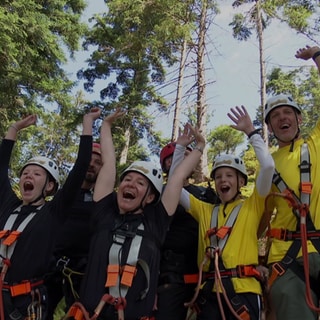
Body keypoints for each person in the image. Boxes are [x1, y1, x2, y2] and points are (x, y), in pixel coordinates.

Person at [67, 109, 206, 320]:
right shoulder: (103, 213)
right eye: (127, 180)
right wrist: (105, 126)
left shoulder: (155, 222)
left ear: (150, 198)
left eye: (140, 183)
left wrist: (198, 148)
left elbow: (177, 178)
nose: (131, 184)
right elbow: (109, 165)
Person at [171, 105, 274, 320]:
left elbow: (267, 167)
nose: (223, 180)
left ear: (241, 181)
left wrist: (251, 132)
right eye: (218, 177)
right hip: (209, 294)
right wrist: (180, 149)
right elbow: (174, 186)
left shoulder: (253, 205)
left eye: (229, 175)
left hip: (244, 291)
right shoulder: (204, 210)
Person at [0, 108, 101, 320]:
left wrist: (87, 123)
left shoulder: (52, 213)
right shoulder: (9, 206)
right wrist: (13, 130)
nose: (29, 175)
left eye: (37, 174)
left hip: (25, 303)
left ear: (49, 186)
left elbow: (80, 167)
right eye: (25, 173)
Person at [262, 45, 320, 320]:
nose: (282, 117)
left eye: (287, 112)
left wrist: (318, 57)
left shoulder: (316, 143)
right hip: (288, 258)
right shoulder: (267, 164)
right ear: (271, 128)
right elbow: (255, 217)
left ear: (299, 118)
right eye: (275, 116)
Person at [155, 143, 219, 320]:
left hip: (206, 274)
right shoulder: (156, 195)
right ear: (166, 164)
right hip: (169, 274)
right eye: (178, 157)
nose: (185, 161)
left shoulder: (206, 195)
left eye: (188, 157)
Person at [46, 142, 103, 318]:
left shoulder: (105, 203)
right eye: (89, 159)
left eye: (98, 162)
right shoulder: (61, 198)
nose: (91, 164)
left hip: (83, 273)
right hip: (50, 267)